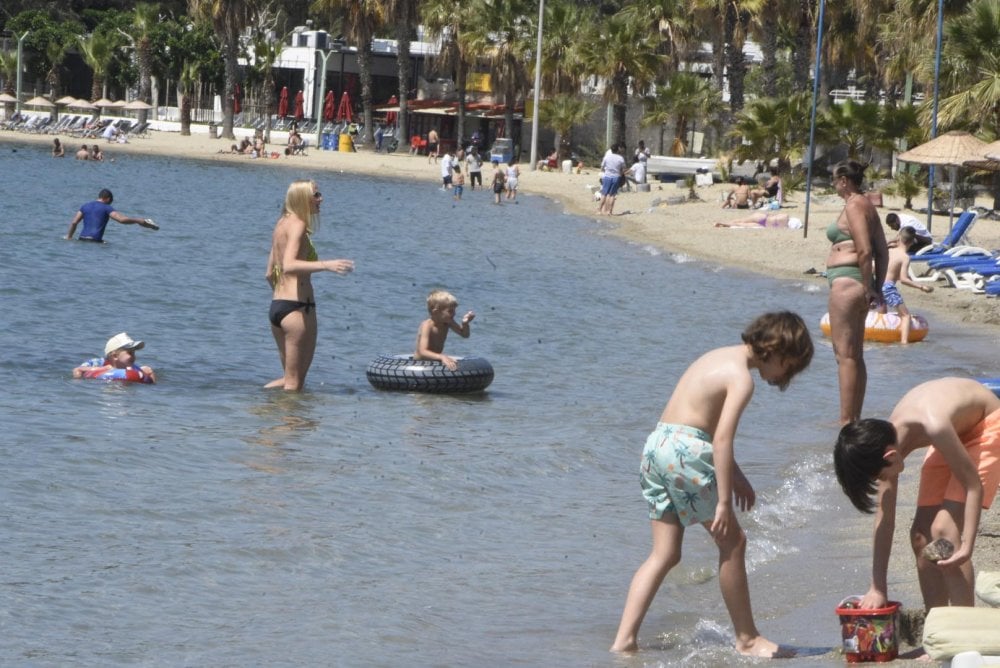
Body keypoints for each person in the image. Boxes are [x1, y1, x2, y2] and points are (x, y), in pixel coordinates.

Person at [610, 311, 814, 655]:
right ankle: (747, 638)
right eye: (789, 367)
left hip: (658, 446)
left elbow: (698, 423)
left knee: (664, 553)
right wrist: (722, 501)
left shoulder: (716, 357)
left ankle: (624, 640)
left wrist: (738, 476)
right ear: (776, 350)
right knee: (733, 543)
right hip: (688, 453)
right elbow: (720, 439)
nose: (783, 377)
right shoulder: (741, 380)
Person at [834, 378, 1000, 622]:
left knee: (944, 531)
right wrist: (877, 586)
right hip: (955, 432)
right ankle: (936, 630)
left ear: (890, 456)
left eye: (881, 476)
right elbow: (885, 516)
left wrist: (967, 545)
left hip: (987, 424)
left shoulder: (933, 425)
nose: (883, 482)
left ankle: (966, 628)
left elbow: (973, 485)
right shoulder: (882, 442)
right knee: (921, 536)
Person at [265, 180, 354, 391]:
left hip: (278, 306)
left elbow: (269, 274)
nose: (320, 199)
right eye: (316, 195)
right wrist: (327, 265)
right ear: (302, 198)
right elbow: (288, 265)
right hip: (297, 309)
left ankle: (263, 410)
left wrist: (283, 297)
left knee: (288, 380)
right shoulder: (298, 224)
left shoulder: (281, 224)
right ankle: (288, 423)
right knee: (295, 386)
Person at [825, 159, 889, 425]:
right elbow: (883, 251)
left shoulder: (854, 205)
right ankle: (855, 419)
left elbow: (865, 250)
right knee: (855, 354)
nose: (832, 183)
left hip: (848, 284)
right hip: (859, 284)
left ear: (844, 181)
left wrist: (868, 287)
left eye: (834, 179)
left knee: (845, 355)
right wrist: (876, 287)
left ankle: (845, 422)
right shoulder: (867, 206)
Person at [879, 227, 934, 343]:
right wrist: (921, 286)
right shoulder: (905, 257)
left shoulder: (888, 250)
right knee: (905, 316)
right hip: (888, 287)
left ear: (898, 237)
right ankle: (904, 343)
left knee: (882, 312)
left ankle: (881, 338)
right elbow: (903, 279)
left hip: (877, 285)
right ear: (913, 242)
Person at [66, 188, 159, 242]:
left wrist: (69, 237)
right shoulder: (106, 207)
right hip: (94, 241)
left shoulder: (85, 206)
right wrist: (138, 220)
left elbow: (74, 222)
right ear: (108, 199)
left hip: (81, 239)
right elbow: (121, 220)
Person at [414, 289, 475, 371]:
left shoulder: (447, 322)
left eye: (454, 310)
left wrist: (465, 324)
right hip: (419, 364)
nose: (454, 313)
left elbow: (465, 335)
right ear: (436, 312)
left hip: (435, 361)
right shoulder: (427, 326)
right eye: (450, 311)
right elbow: (422, 351)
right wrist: (442, 356)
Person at [72, 332, 156, 384]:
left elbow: (148, 372)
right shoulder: (103, 368)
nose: (133, 357)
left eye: (134, 353)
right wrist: (78, 382)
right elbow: (77, 369)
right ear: (115, 356)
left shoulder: (135, 369)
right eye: (130, 353)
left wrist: (151, 381)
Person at [598, 144, 626, 215]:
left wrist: (605, 171)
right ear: (617, 150)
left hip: (607, 176)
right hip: (616, 177)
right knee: (612, 195)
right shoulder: (620, 158)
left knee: (604, 194)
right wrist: (620, 174)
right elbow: (623, 169)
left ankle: (599, 210)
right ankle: (609, 211)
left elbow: (602, 167)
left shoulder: (607, 157)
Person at [713, 212, 802, 229]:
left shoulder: (786, 216)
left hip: (763, 217)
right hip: (764, 225)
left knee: (742, 221)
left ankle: (723, 222)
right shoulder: (783, 226)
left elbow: (773, 215)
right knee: (741, 224)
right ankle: (722, 223)